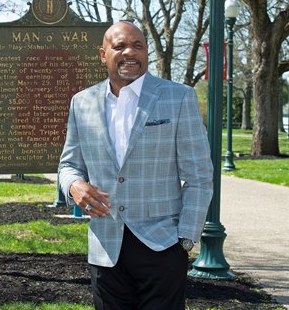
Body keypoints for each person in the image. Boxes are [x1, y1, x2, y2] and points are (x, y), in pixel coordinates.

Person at [58, 21, 214, 310]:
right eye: (120, 46)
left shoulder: (178, 97)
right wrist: (73, 185)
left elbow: (200, 176)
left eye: (138, 45)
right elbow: (68, 165)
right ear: (102, 54)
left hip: (163, 244)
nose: (130, 52)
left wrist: (186, 239)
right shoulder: (82, 102)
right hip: (106, 246)